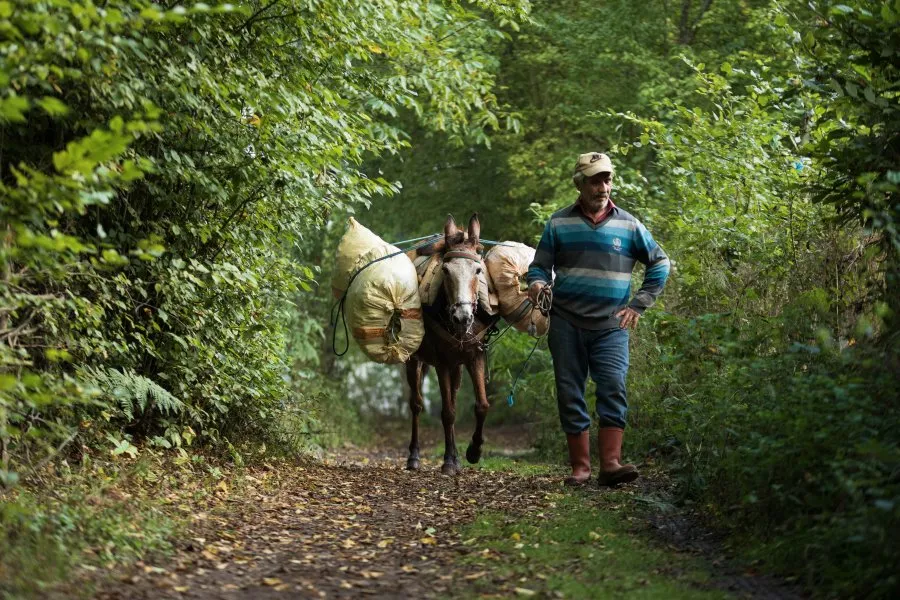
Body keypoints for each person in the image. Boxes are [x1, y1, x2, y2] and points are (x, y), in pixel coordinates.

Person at [526, 152, 670, 486]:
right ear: (580, 184)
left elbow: (660, 262)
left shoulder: (629, 224)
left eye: (606, 179)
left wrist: (638, 304)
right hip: (565, 322)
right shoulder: (558, 223)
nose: (602, 186)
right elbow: (538, 266)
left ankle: (611, 464)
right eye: (595, 180)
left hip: (611, 326)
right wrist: (536, 283)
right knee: (569, 390)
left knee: (613, 387)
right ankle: (580, 468)